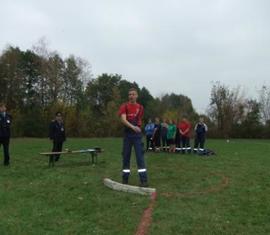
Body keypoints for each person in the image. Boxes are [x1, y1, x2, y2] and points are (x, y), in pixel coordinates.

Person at [118, 88, 148, 187]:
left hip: (137, 136)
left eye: (133, 94)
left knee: (140, 157)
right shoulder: (124, 106)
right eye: (130, 94)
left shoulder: (141, 108)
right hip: (128, 135)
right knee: (126, 157)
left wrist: (137, 128)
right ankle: (125, 179)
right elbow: (123, 119)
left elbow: (139, 119)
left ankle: (143, 180)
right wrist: (132, 127)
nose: (131, 96)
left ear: (137, 96)